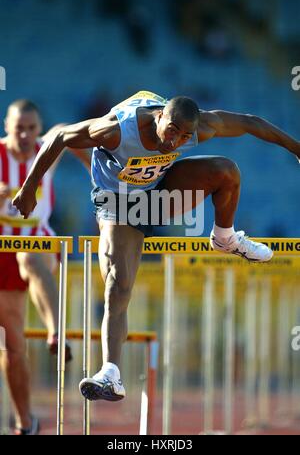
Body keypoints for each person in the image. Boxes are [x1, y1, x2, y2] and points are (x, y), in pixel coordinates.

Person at [12, 90, 300, 403]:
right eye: (171, 131)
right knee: (118, 285)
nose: (175, 141)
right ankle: (110, 372)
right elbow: (62, 137)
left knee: (226, 170)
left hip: (159, 192)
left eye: (184, 136)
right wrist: (30, 188)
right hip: (117, 202)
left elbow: (250, 122)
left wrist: (296, 148)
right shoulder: (116, 130)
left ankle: (225, 236)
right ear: (159, 116)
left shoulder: (200, 127)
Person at [0, 99, 90, 434]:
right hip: (0, 250)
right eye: (18, 128)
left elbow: (69, 133)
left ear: (38, 130)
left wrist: (97, 175)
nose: (25, 135)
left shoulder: (46, 148)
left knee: (29, 256)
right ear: (7, 127)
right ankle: (26, 422)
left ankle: (55, 330)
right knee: (12, 346)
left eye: (31, 128)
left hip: (38, 241)